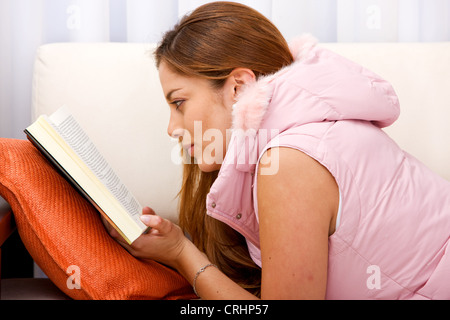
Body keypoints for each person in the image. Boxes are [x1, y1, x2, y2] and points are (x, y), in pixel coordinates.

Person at [105, 2, 450, 299]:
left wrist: (182, 253)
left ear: (238, 88)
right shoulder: (294, 141)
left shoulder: (289, 161)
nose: (171, 128)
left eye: (179, 103)